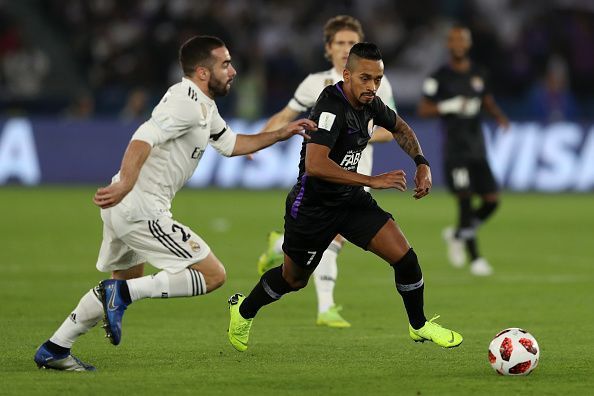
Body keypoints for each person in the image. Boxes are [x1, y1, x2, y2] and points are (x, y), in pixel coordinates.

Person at [33, 35, 316, 371]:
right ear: (201, 71)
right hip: (140, 206)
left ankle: (55, 348)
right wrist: (126, 181)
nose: (233, 70)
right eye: (225, 64)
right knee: (212, 275)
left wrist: (280, 133)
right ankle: (118, 297)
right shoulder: (185, 101)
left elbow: (231, 144)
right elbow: (144, 136)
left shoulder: (203, 105)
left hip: (126, 207)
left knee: (124, 282)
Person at [227, 42, 463, 352]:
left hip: (350, 202)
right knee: (293, 280)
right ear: (347, 74)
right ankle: (243, 311)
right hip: (313, 207)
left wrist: (422, 163)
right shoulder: (330, 106)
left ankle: (418, 325)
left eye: (378, 79)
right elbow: (315, 164)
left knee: (406, 258)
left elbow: (400, 127)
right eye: (365, 78)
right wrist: (371, 180)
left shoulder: (370, 103)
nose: (372, 86)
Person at [255, 15, 395, 328]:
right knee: (335, 235)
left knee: (327, 237)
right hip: (326, 176)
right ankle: (326, 308)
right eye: (341, 43)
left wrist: (358, 133)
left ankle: (280, 245)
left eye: (351, 43)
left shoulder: (375, 81)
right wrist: (257, 143)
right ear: (328, 49)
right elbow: (285, 115)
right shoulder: (314, 84)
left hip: (359, 171)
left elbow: (390, 128)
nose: (346, 48)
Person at [417, 25, 509, 276]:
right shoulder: (438, 78)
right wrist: (449, 106)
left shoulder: (479, 73)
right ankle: (476, 258)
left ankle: (457, 234)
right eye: (454, 40)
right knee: (466, 201)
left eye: (462, 40)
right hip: (455, 150)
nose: (458, 44)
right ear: (449, 44)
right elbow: (423, 110)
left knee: (491, 201)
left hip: (477, 147)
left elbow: (486, 99)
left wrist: (499, 117)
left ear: (468, 44)